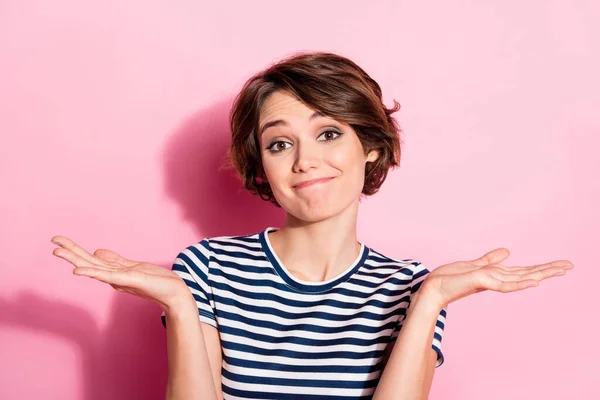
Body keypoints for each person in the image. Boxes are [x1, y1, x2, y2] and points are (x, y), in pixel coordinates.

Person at [51, 51, 574, 400]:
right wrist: (181, 307)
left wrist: (431, 298)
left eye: (327, 134)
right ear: (262, 166)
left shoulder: (411, 286)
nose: (305, 160)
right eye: (280, 143)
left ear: (370, 146)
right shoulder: (206, 268)